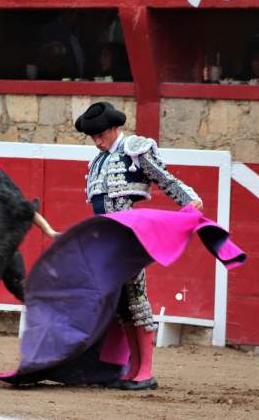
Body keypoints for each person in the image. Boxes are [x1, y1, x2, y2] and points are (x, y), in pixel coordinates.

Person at [75, 101, 203, 390]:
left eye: (100, 135)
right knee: (122, 304)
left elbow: (165, 178)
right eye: (92, 137)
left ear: (113, 128)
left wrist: (190, 200)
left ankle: (146, 370)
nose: (97, 141)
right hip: (107, 240)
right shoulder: (98, 160)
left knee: (135, 297)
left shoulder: (134, 149)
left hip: (130, 238)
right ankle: (133, 367)